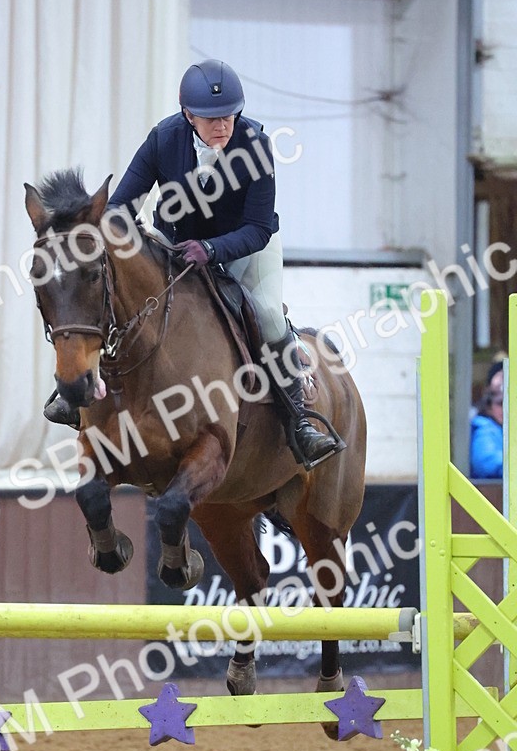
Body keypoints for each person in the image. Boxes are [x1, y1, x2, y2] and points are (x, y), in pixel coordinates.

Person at [44, 58, 340, 469]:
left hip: (246, 246)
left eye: (229, 116)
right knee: (118, 289)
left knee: (269, 315)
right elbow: (121, 207)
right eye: (211, 118)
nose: (223, 125)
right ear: (188, 115)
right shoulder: (164, 139)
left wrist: (214, 250)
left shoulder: (255, 145)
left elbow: (257, 227)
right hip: (177, 242)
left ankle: (300, 423)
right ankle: (76, 393)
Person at [470, 360, 504, 479]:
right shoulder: (484, 427)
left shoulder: (503, 429)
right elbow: (487, 462)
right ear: (489, 405)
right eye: (500, 403)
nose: (506, 410)